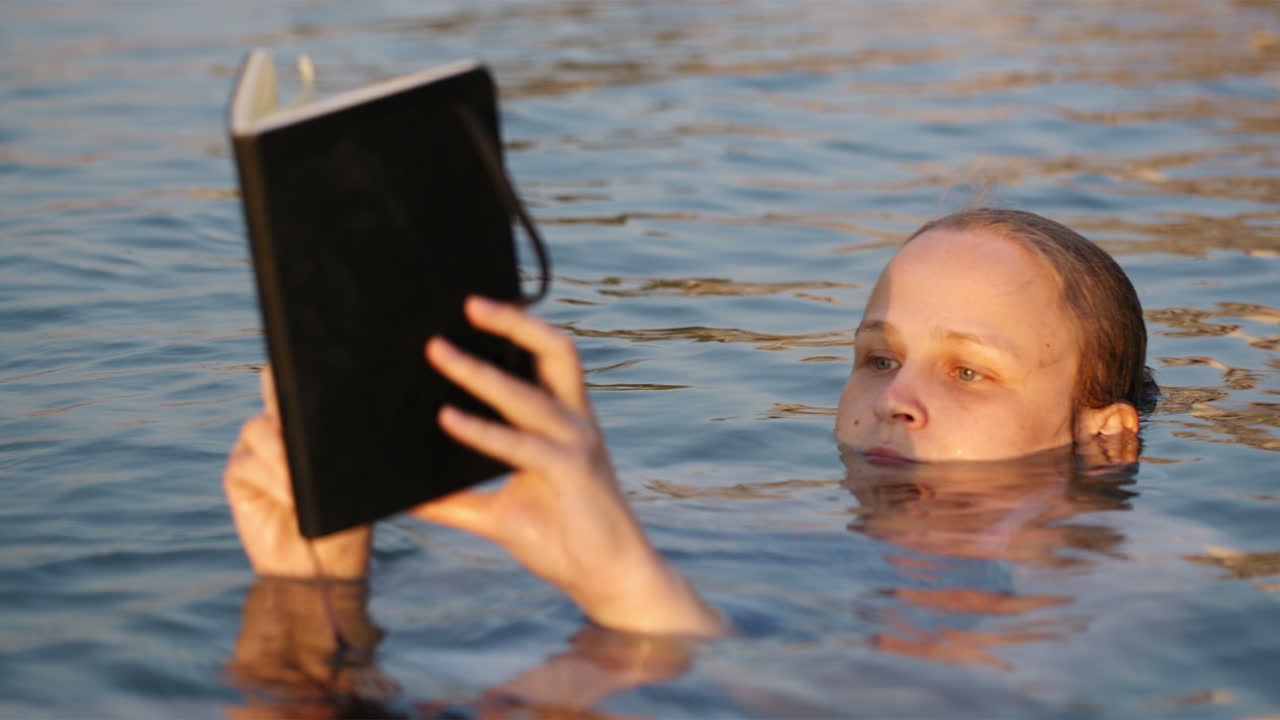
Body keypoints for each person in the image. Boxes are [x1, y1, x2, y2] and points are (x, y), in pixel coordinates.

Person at [222, 207, 1157, 645]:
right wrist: (318, 596)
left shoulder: (1126, 572)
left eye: (967, 372)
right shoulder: (745, 519)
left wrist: (631, 589)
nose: (895, 397)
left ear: (1105, 434)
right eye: (878, 357)